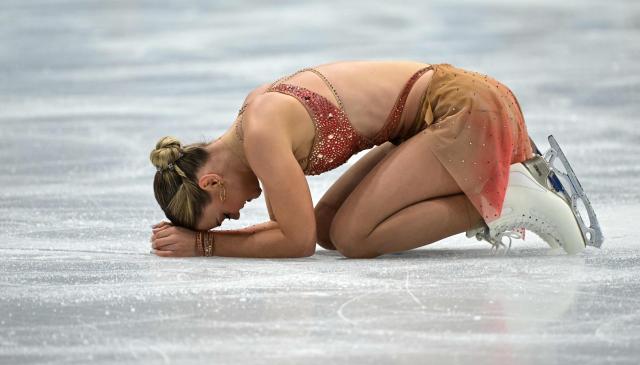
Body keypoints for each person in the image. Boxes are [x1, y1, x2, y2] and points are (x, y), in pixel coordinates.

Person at [149, 60, 575, 258]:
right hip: (442, 116)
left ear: (212, 183)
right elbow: (303, 231)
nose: (238, 214)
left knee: (355, 237)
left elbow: (295, 243)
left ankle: (505, 201)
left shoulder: (260, 132)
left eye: (223, 215)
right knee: (329, 229)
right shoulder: (252, 124)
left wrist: (206, 245)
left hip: (463, 110)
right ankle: (499, 192)